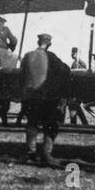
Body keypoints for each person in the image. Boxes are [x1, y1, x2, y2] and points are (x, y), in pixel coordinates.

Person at [20, 33, 66, 166]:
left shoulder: (27, 55)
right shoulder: (51, 56)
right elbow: (64, 70)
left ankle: (31, 153)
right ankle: (47, 154)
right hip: (45, 97)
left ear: (38, 42)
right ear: (49, 44)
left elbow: (22, 74)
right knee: (51, 125)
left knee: (32, 123)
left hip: (29, 96)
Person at [67, 47, 90, 125]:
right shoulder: (74, 63)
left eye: (73, 53)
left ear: (77, 54)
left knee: (74, 107)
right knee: (75, 107)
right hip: (74, 89)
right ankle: (82, 123)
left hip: (77, 90)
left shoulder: (81, 64)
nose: (72, 55)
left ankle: (77, 123)